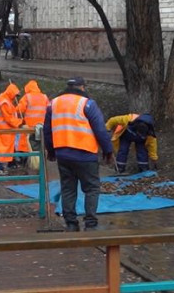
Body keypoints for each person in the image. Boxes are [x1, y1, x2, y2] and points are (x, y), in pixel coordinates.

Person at [44, 76, 113, 231]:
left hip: (63, 154)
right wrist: (108, 150)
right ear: (82, 88)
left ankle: (71, 223)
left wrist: (51, 151)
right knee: (92, 188)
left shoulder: (53, 104)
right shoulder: (87, 104)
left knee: (68, 188)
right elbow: (100, 130)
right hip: (85, 154)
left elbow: (47, 131)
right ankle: (90, 224)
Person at [14, 80, 49, 157]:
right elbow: (49, 111)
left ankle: (26, 161)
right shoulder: (44, 97)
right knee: (40, 145)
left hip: (29, 127)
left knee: (26, 145)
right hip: (41, 126)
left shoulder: (27, 97)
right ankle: (40, 162)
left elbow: (19, 110)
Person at [0, 82, 22, 175]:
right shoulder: (5, 102)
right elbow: (8, 118)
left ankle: (11, 163)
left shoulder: (5, 100)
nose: (15, 98)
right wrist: (19, 122)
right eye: (15, 95)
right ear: (11, 93)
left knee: (9, 146)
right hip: (4, 129)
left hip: (6, 129)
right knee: (3, 149)